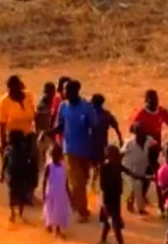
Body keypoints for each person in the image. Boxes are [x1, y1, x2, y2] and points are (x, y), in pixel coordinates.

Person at [48, 80, 97, 221]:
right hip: (69, 149)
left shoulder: (87, 107)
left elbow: (94, 128)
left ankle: (76, 205)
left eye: (67, 90)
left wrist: (95, 150)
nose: (64, 92)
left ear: (76, 91)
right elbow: (61, 126)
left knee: (83, 180)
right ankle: (82, 212)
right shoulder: (63, 107)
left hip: (85, 150)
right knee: (77, 182)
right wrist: (49, 132)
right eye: (64, 90)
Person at [131, 89, 168, 217]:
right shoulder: (141, 114)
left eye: (156, 99)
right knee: (154, 176)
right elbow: (132, 128)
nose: (154, 102)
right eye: (151, 100)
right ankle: (160, 207)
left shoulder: (162, 112)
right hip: (144, 151)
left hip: (155, 151)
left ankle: (138, 200)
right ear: (146, 101)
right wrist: (144, 134)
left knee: (147, 175)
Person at [98, 145, 145, 244]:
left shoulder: (117, 165)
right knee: (116, 223)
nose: (117, 157)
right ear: (108, 156)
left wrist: (141, 177)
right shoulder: (104, 167)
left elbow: (129, 173)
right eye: (114, 155)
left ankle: (102, 241)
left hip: (115, 198)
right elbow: (102, 186)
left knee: (108, 222)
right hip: (108, 199)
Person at [0, 75, 38, 202]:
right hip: (14, 138)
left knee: (33, 164)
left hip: (29, 135)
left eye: (16, 87)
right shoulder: (4, 101)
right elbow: (2, 124)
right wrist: (3, 143)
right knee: (16, 165)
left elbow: (34, 115)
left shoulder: (29, 96)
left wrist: (36, 133)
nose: (14, 91)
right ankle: (16, 193)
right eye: (11, 89)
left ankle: (30, 191)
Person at [121, 123, 156, 215]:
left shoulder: (150, 140)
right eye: (138, 132)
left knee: (143, 184)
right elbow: (120, 156)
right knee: (136, 185)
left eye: (143, 132)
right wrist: (129, 173)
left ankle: (138, 201)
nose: (141, 134)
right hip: (129, 171)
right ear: (135, 133)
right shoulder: (129, 143)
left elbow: (155, 151)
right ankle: (139, 209)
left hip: (142, 170)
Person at [90, 93, 123, 189]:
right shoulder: (106, 115)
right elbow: (116, 127)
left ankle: (93, 184)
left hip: (91, 144)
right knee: (100, 166)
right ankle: (97, 184)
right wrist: (120, 139)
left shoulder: (90, 114)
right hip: (102, 144)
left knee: (93, 166)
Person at [1, 130, 30, 222]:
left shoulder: (8, 150)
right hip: (22, 174)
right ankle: (19, 213)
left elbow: (4, 164)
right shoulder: (24, 149)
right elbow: (27, 162)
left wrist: (1, 175)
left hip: (12, 175)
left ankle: (13, 213)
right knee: (21, 194)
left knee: (12, 194)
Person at [42, 144, 71, 237]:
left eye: (56, 154)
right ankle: (49, 225)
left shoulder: (63, 166)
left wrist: (68, 193)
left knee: (59, 210)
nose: (54, 156)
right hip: (51, 191)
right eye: (53, 153)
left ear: (60, 155)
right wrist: (43, 193)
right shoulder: (49, 166)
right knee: (49, 209)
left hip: (61, 193)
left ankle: (57, 229)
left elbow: (65, 180)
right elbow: (44, 180)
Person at [35, 82, 57, 174]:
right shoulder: (42, 105)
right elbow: (39, 121)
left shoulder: (51, 102)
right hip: (45, 135)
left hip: (48, 134)